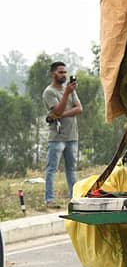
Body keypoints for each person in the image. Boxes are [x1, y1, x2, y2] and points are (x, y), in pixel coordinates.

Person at [42, 61, 82, 207]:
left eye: (65, 72)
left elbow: (79, 108)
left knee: (71, 169)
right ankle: (49, 200)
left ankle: (74, 198)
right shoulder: (49, 92)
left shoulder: (70, 89)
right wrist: (66, 95)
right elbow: (57, 110)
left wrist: (59, 115)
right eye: (60, 72)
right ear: (53, 74)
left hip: (72, 136)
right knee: (52, 169)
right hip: (57, 138)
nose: (64, 75)